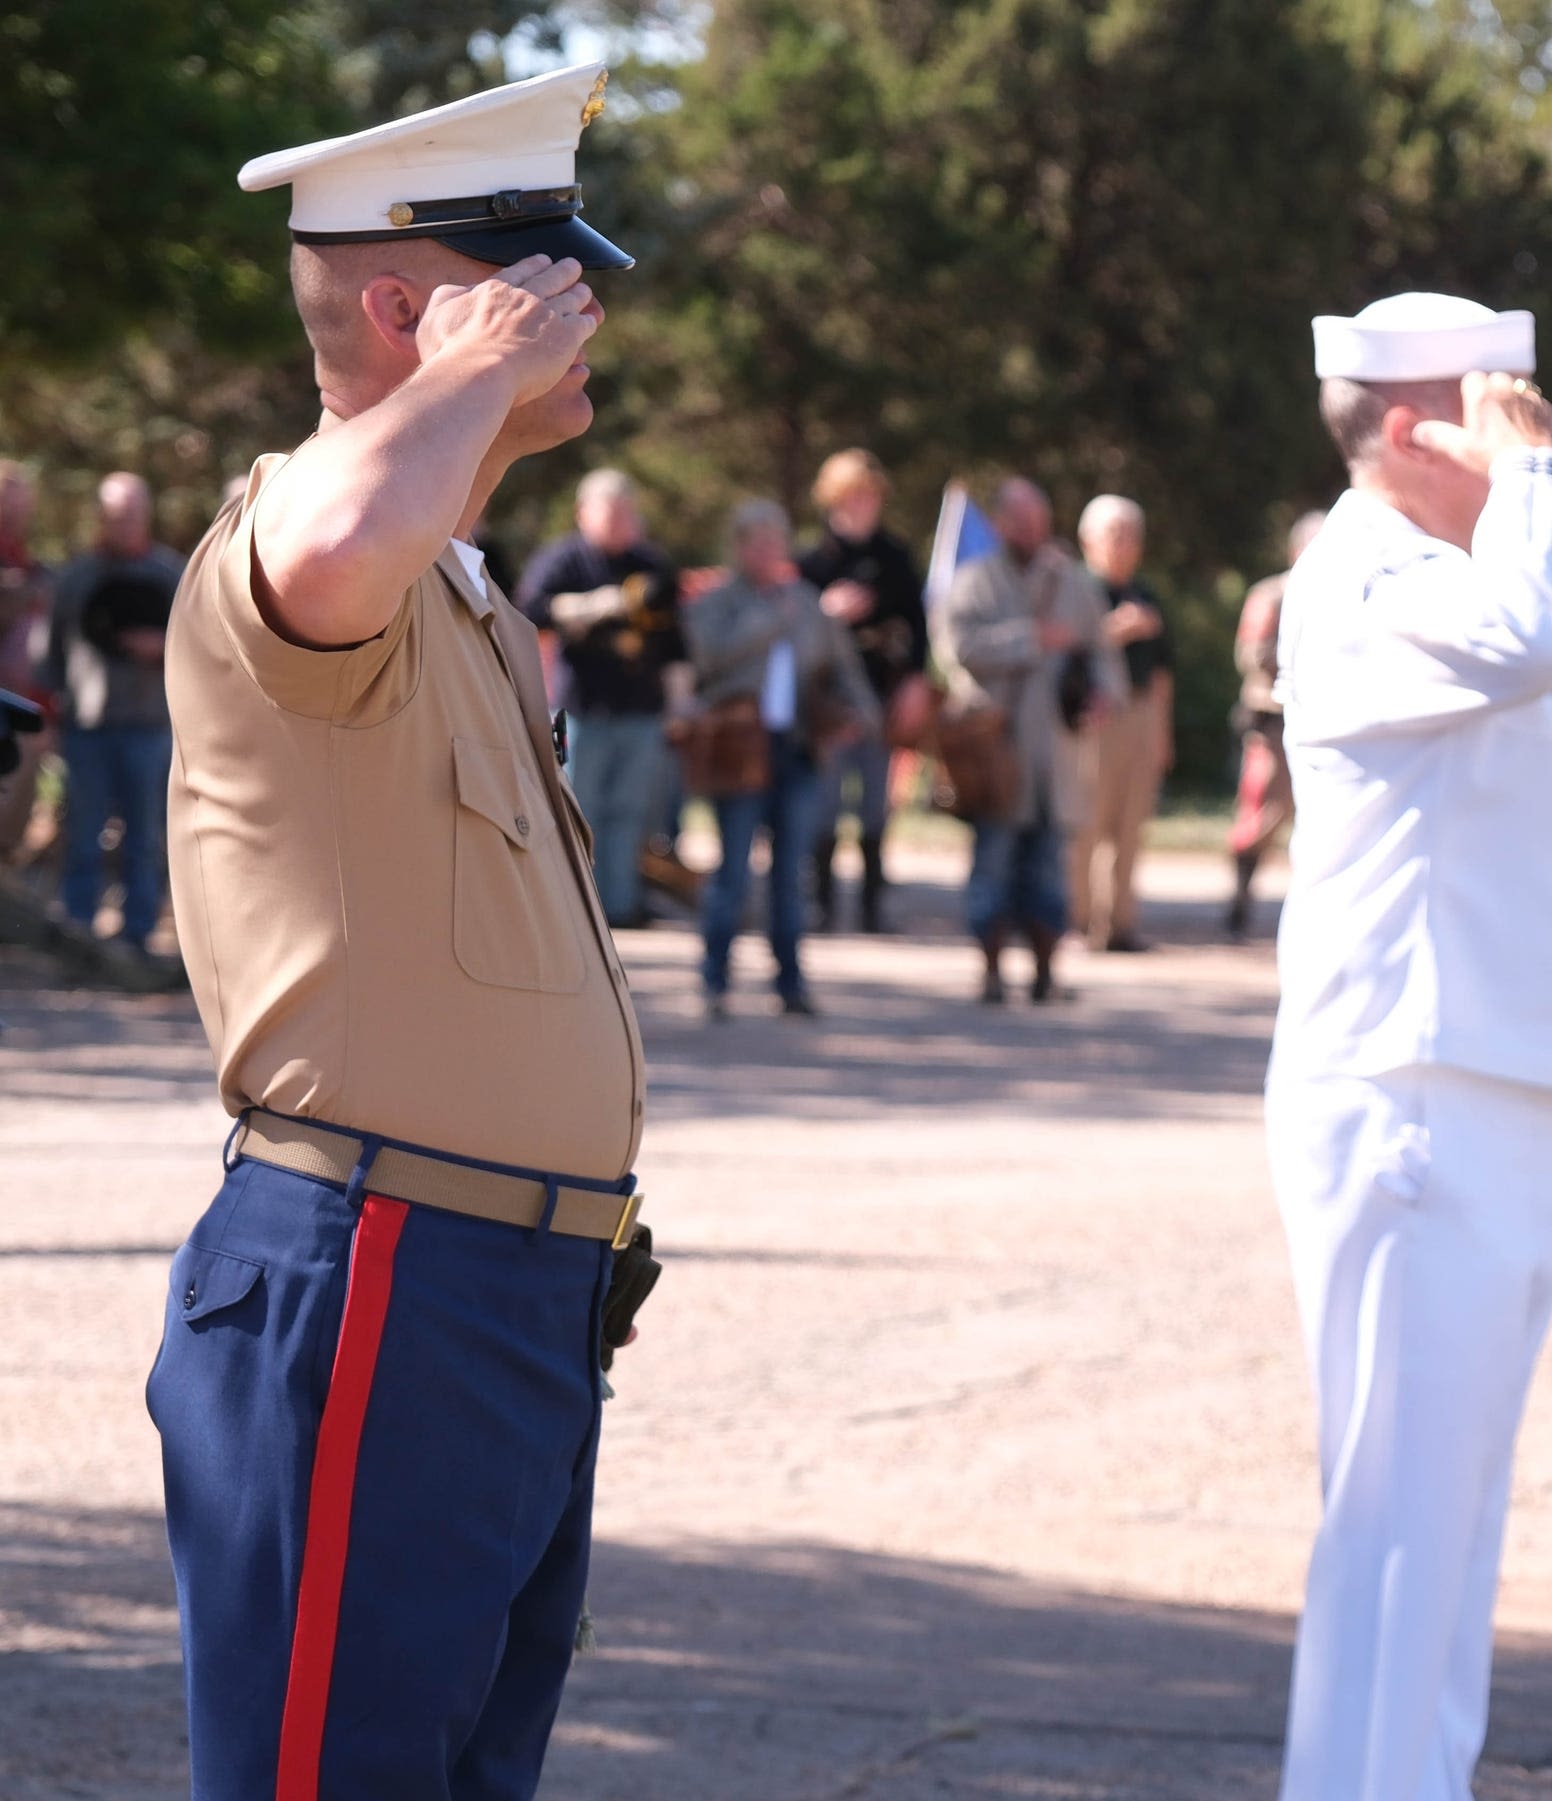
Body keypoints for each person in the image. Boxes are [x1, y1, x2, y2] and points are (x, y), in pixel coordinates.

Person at [154, 66, 655, 1801]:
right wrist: (475, 370)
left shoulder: (457, 585)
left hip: (504, 1295)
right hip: (375, 1274)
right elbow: (345, 524)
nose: (578, 314)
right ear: (407, 308)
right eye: (535, 284)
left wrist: (479, 369)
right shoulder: (303, 524)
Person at [1268, 293, 1552, 1798]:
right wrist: (1537, 477)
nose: (1528, 425)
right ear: (1420, 426)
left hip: (1475, 1082)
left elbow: (1533, 622)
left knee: (1449, 1520)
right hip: (1413, 1091)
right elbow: (1538, 629)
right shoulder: (1367, 570)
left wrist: (1524, 488)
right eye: (1499, 403)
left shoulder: (1420, 567)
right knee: (1405, 1523)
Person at [687, 498, 879, 1016]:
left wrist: (860, 714)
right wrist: (772, 619)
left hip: (796, 753)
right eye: (757, 542)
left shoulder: (807, 603)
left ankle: (790, 984)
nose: (769, 552)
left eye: (776, 541)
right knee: (731, 872)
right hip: (738, 750)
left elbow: (843, 667)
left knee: (790, 874)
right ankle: (715, 981)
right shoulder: (718, 602)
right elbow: (709, 655)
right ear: (739, 547)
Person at [934, 476, 1121, 1002]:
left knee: (1047, 869)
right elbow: (958, 650)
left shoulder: (1072, 584)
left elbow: (1101, 651)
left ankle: (1045, 972)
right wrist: (1029, 640)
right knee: (992, 863)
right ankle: (991, 972)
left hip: (1056, 756)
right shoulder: (974, 582)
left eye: (1040, 521)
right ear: (1001, 524)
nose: (1033, 531)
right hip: (996, 755)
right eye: (1022, 521)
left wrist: (1103, 695)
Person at [517, 468, 687, 925]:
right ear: (582, 513)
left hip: (641, 710)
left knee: (630, 814)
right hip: (581, 710)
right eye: (608, 512)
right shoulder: (564, 560)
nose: (617, 521)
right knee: (578, 808)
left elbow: (676, 643)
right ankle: (573, 907)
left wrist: (679, 706)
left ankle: (620, 904)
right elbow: (529, 610)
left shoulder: (651, 564)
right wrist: (603, 603)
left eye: (625, 512)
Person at [45, 472, 185, 948]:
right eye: (114, 515)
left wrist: (163, 646)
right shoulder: (78, 577)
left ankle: (138, 935)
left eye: (131, 514)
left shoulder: (171, 574)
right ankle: (79, 932)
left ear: (145, 515)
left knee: (144, 839)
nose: (123, 524)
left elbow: (207, 648)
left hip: (151, 727)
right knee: (82, 833)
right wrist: (47, 716)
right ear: (101, 518)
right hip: (87, 727)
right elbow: (53, 652)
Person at [799, 448, 929, 934]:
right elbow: (792, 632)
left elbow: (918, 628)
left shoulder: (895, 558)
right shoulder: (812, 562)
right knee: (825, 805)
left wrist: (915, 681)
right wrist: (825, 611)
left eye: (870, 496)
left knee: (876, 804)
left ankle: (873, 906)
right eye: (853, 495)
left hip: (882, 694)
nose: (863, 505)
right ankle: (822, 904)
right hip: (829, 701)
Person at [1075, 494, 1170, 952]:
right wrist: (1115, 629)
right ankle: (1080, 922)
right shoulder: (1076, 590)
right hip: (1095, 716)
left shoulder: (1147, 594)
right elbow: (1066, 649)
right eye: (1114, 534)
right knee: (1089, 821)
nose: (1124, 544)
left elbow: (1162, 672)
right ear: (1088, 540)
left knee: (1131, 823)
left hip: (1141, 713)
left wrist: (1162, 734)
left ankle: (1122, 923)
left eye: (1131, 535)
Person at [1226, 508, 1323, 941]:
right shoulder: (1272, 595)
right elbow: (1252, 654)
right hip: (1273, 720)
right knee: (1262, 810)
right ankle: (1240, 896)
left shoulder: (1341, 592)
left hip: (1323, 718)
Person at [0, 460, 53, 865]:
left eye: (20, 505)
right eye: (7, 503)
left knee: (13, 811)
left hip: (21, 706)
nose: (15, 514)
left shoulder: (26, 559)